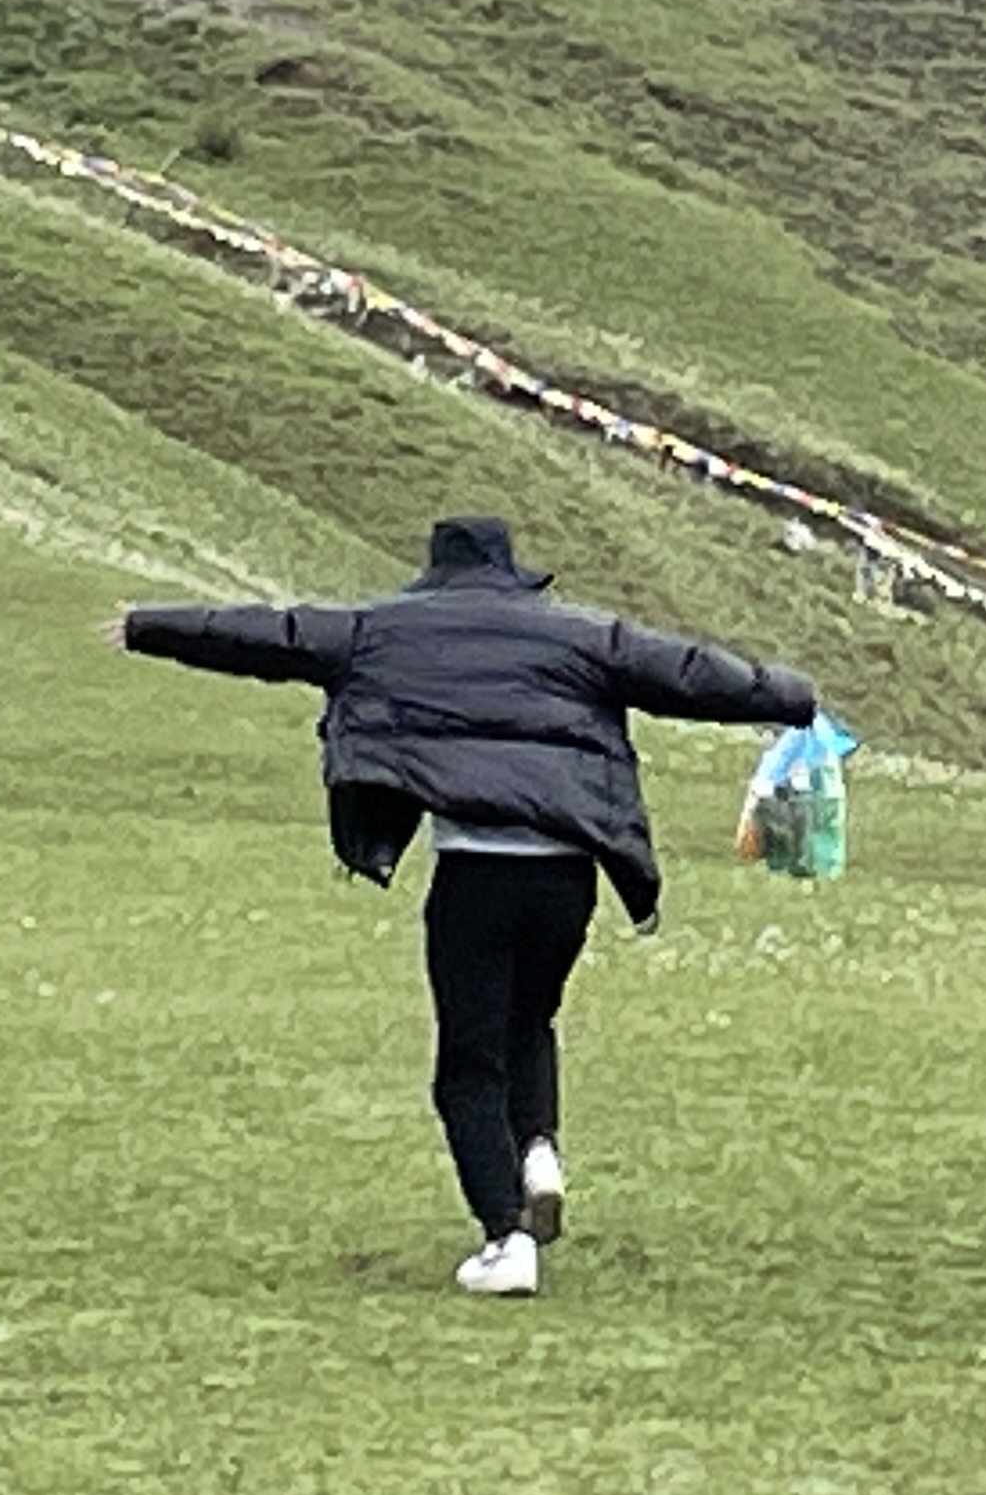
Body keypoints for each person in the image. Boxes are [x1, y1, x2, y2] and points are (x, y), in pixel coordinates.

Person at [108, 514, 819, 1298]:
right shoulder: (576, 636)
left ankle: (506, 1240)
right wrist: (787, 697)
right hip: (568, 876)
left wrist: (149, 628)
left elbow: (264, 636)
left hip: (474, 877)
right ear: (511, 571)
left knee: (466, 1067)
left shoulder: (381, 631)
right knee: (529, 1020)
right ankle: (538, 1151)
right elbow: (684, 672)